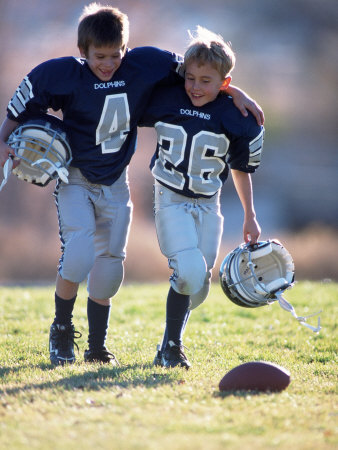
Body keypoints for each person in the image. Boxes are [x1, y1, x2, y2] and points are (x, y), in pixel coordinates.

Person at [0, 4, 264, 367]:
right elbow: (19, 107)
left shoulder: (145, 64)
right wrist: (3, 140)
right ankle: (61, 329)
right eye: (99, 56)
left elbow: (202, 71)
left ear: (126, 48)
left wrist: (238, 93)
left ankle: (96, 346)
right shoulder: (63, 75)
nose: (108, 63)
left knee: (110, 268)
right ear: (83, 52)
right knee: (77, 257)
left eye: (115, 55)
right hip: (75, 176)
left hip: (116, 181)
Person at [139, 26, 264, 369]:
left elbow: (241, 168)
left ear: (224, 82)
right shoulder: (168, 98)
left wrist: (250, 215)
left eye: (205, 81)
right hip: (171, 197)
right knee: (189, 271)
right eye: (190, 78)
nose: (194, 86)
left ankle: (167, 342)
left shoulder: (234, 115)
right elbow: (128, 97)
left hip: (210, 203)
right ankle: (173, 348)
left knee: (199, 284)